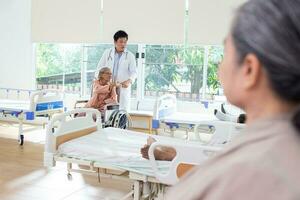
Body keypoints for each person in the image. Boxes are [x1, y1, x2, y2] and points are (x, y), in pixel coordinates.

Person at [152, 0, 300, 199]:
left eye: (225, 52)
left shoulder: (245, 173)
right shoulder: (283, 147)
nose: (220, 66)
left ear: (249, 69)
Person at [96, 30, 137, 111]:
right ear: (115, 42)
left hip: (122, 88)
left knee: (121, 115)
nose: (123, 44)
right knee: (107, 114)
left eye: (125, 42)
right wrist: (100, 82)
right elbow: (99, 69)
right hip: (108, 88)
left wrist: (129, 81)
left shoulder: (130, 56)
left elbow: (134, 72)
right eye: (121, 42)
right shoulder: (107, 53)